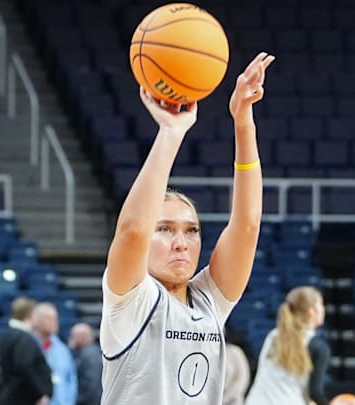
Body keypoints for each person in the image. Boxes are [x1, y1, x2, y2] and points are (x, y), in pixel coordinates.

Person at [100, 51, 274, 404]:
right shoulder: (131, 300)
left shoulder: (209, 301)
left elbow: (248, 225)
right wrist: (171, 131)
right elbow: (133, 228)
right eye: (164, 229)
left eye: (191, 231)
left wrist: (243, 122)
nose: (181, 242)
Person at [245, 287, 330, 405]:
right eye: (321, 305)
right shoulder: (318, 348)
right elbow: (315, 392)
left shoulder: (272, 336)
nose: (323, 309)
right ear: (311, 312)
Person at [0, 297, 53, 405]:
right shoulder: (23, 337)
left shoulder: (10, 334)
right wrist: (40, 392)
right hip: (22, 399)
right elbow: (24, 365)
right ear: (31, 315)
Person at [31, 303, 77, 405]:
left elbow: (71, 381)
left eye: (55, 318)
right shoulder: (28, 346)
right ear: (36, 320)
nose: (54, 322)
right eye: (48, 318)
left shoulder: (62, 350)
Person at [67, 323, 102, 405]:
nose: (69, 339)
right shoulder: (88, 353)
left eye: (72, 336)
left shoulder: (90, 355)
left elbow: (92, 385)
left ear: (81, 337)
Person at [223, 337, 250, 405]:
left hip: (233, 400)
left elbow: (243, 379)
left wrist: (224, 399)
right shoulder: (207, 353)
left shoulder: (234, 351)